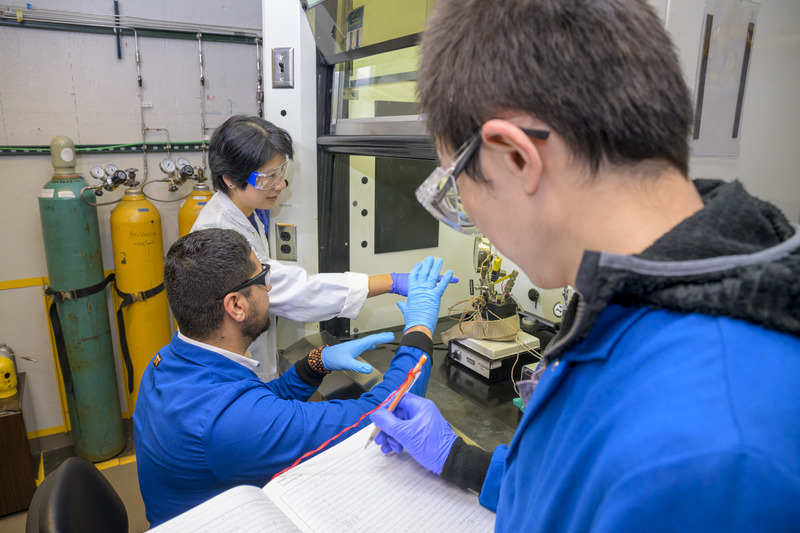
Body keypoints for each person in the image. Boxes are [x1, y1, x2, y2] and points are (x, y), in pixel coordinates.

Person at [368, 1, 800, 532]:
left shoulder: (710, 457)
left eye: (456, 186)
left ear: (516, 158)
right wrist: (461, 460)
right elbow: (579, 489)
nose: (470, 216)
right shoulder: (632, 300)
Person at [133, 228, 453, 527]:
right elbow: (377, 417)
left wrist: (314, 364)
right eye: (262, 277)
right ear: (236, 305)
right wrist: (420, 330)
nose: (269, 287)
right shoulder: (225, 420)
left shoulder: (169, 361)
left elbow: (256, 404)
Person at [192, 115, 456, 381]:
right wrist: (392, 281)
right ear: (230, 179)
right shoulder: (219, 231)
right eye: (268, 177)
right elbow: (293, 291)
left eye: (281, 171)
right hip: (228, 375)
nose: (280, 185)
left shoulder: (245, 213)